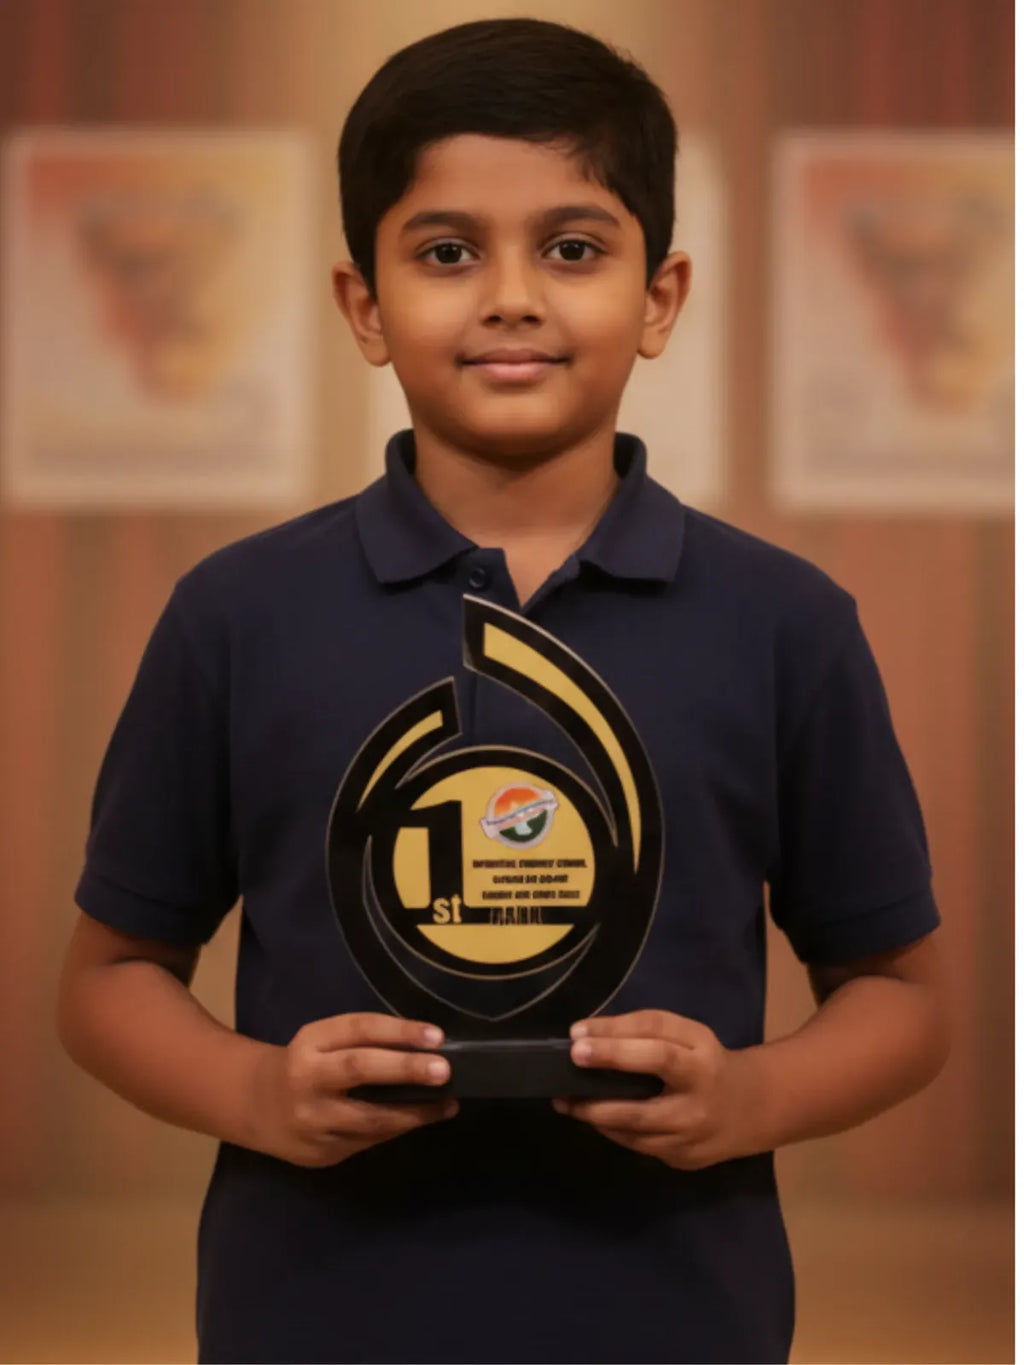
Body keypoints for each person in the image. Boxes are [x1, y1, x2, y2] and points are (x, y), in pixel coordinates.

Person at [57, 17, 950, 1365]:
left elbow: (908, 997)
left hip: (676, 1316)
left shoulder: (788, 625)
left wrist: (748, 1093)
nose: (513, 295)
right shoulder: (236, 615)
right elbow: (108, 977)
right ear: (366, 306)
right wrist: (256, 1086)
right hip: (311, 1314)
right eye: (447, 251)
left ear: (662, 296)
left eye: (575, 248)